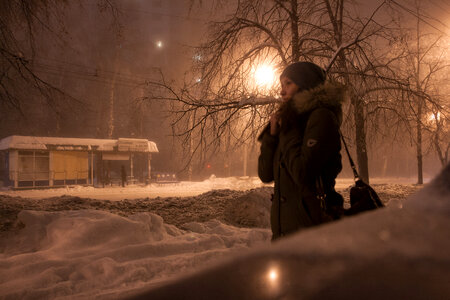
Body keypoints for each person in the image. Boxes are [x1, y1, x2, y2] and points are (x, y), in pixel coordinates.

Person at [258, 61, 345, 240]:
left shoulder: (321, 117)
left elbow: (302, 173)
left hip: (311, 232)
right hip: (284, 233)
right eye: (281, 84)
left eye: (288, 83)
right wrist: (271, 137)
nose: (282, 91)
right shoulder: (290, 120)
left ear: (306, 83)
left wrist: (288, 130)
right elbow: (265, 175)